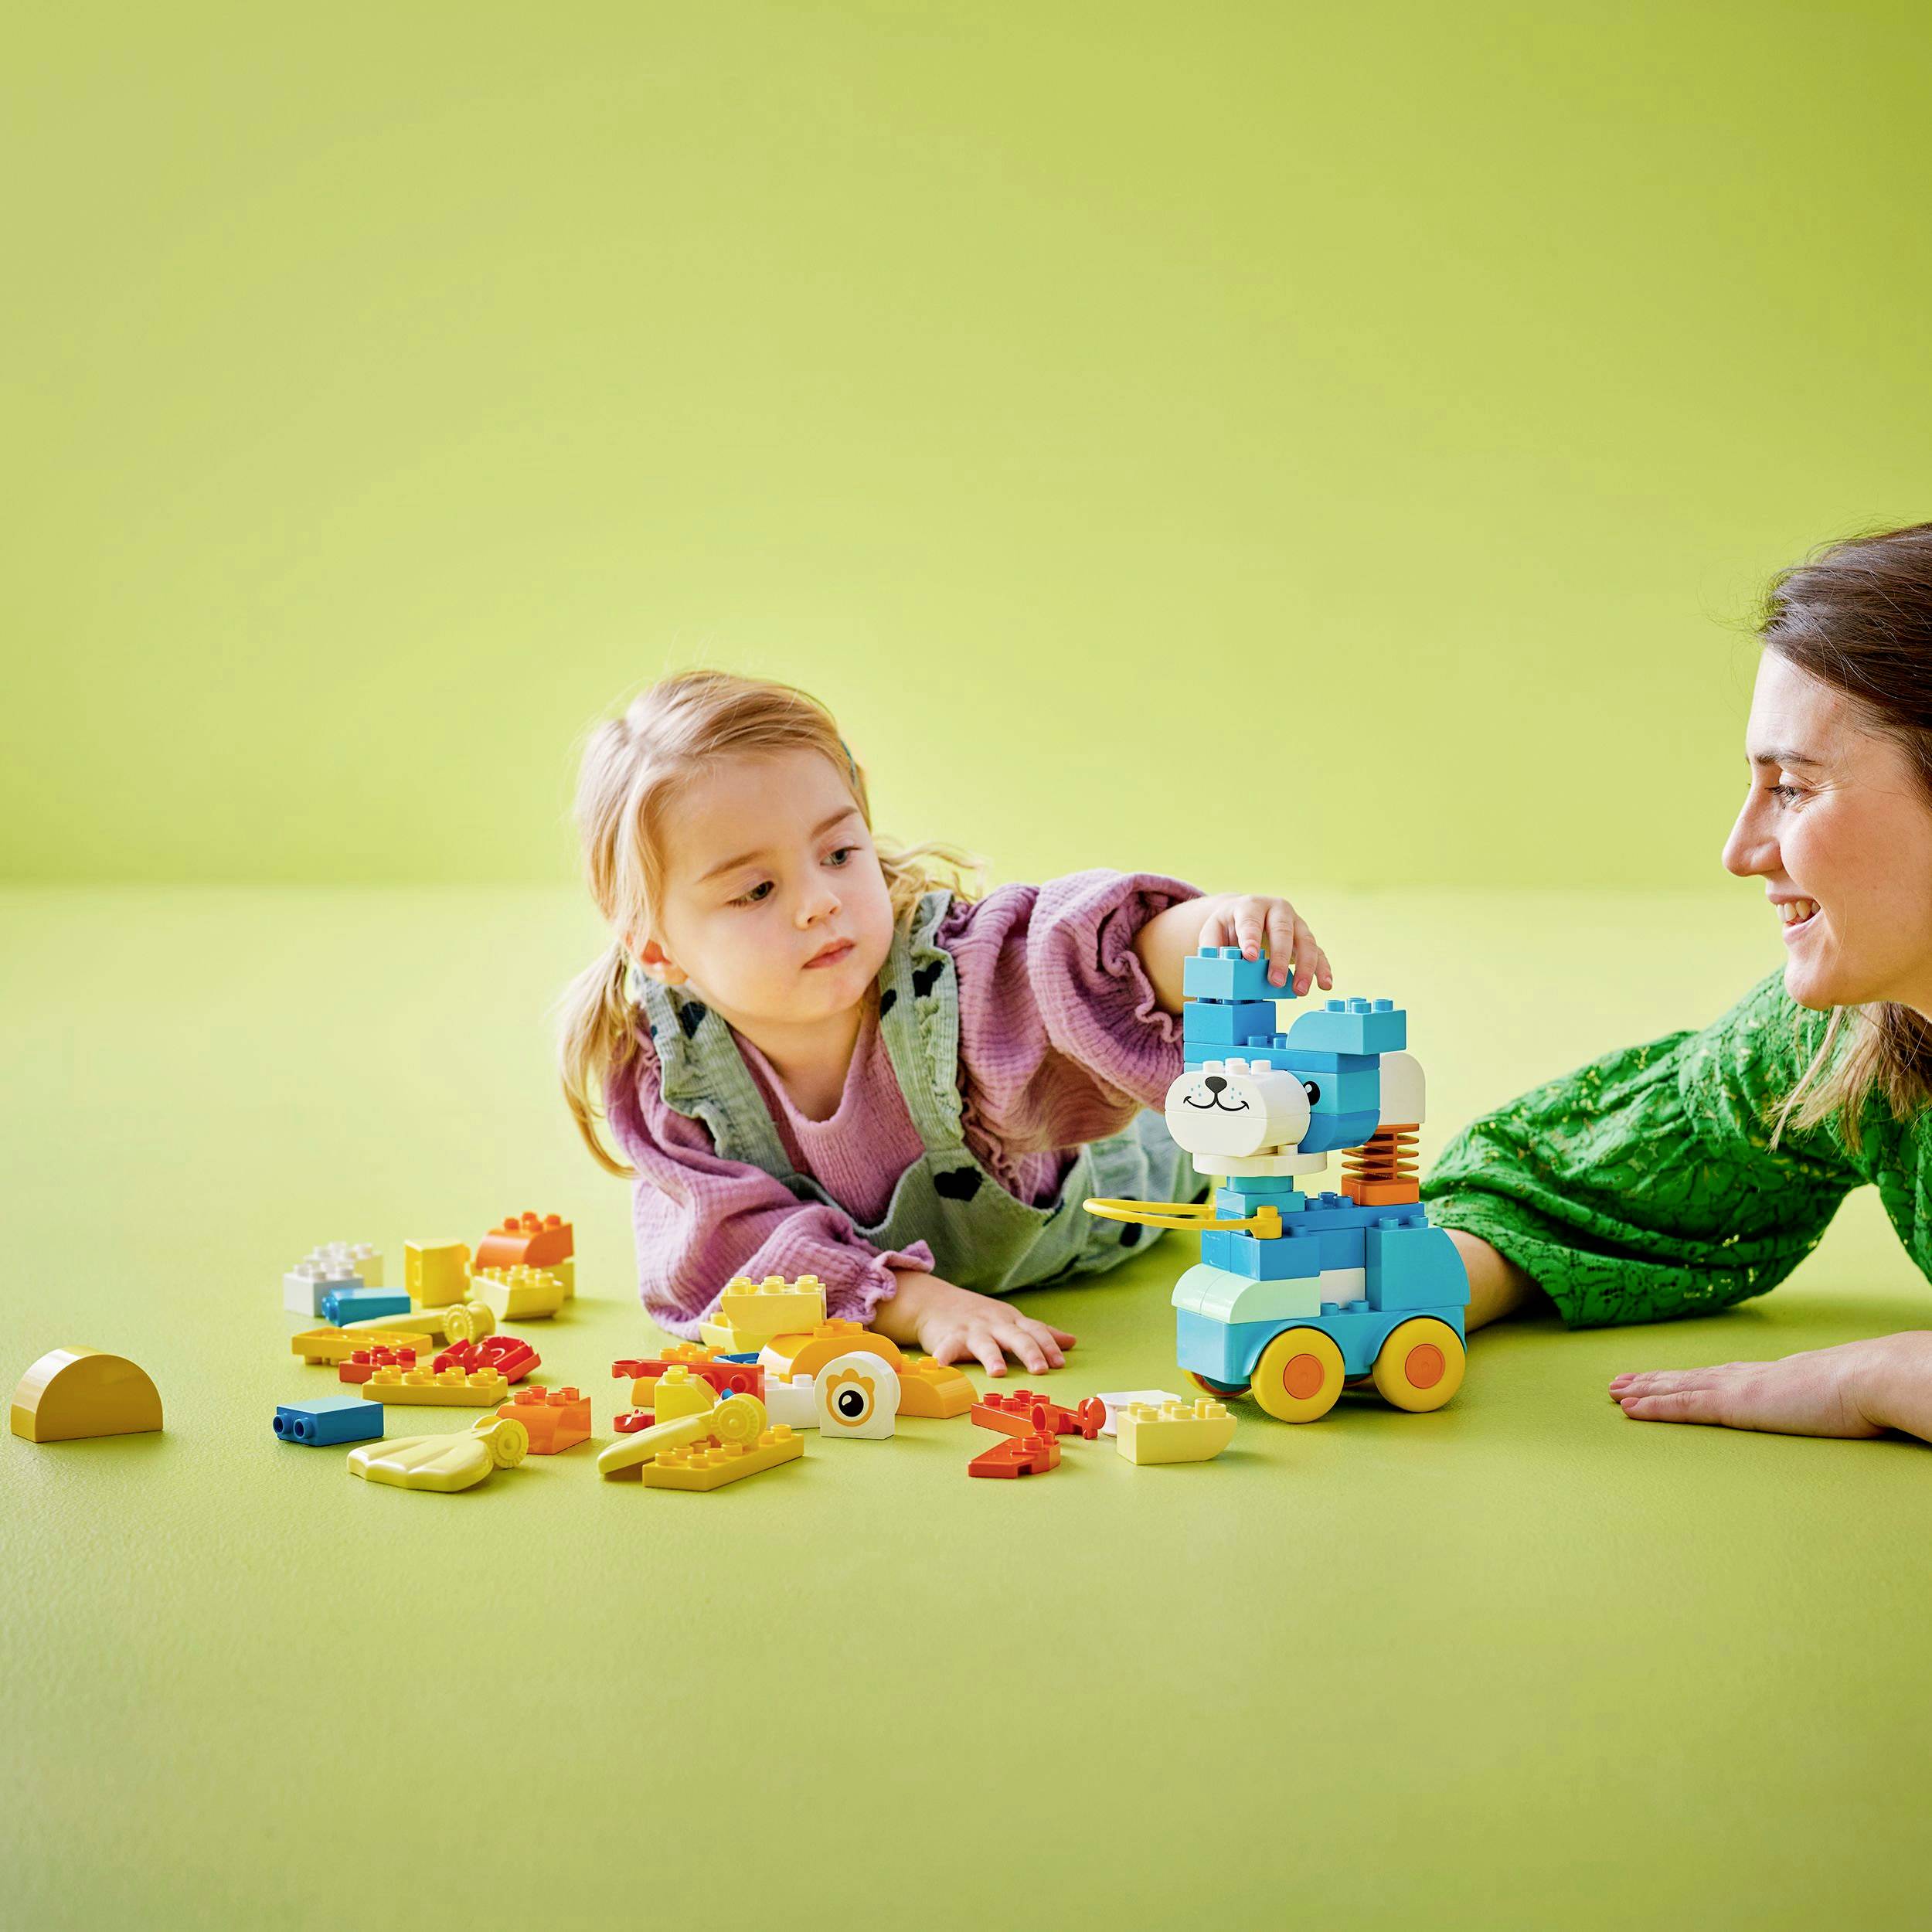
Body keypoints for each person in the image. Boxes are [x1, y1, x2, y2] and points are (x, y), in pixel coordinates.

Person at [556, 668, 1332, 1376]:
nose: (818, 900)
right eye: (756, 891)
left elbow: (1063, 959)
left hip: (1116, 1184)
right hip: (909, 1280)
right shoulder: (675, 1077)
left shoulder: (948, 981)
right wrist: (917, 1304)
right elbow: (727, 1253)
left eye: (837, 852)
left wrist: (1212, 932)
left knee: (1216, 1125)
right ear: (657, 947)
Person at [1424, 523, 1932, 1445]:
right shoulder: (1851, 1031)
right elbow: (1593, 1186)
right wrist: (1414, 1290)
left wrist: (1885, 1375)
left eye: (1793, 787)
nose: (1739, 852)